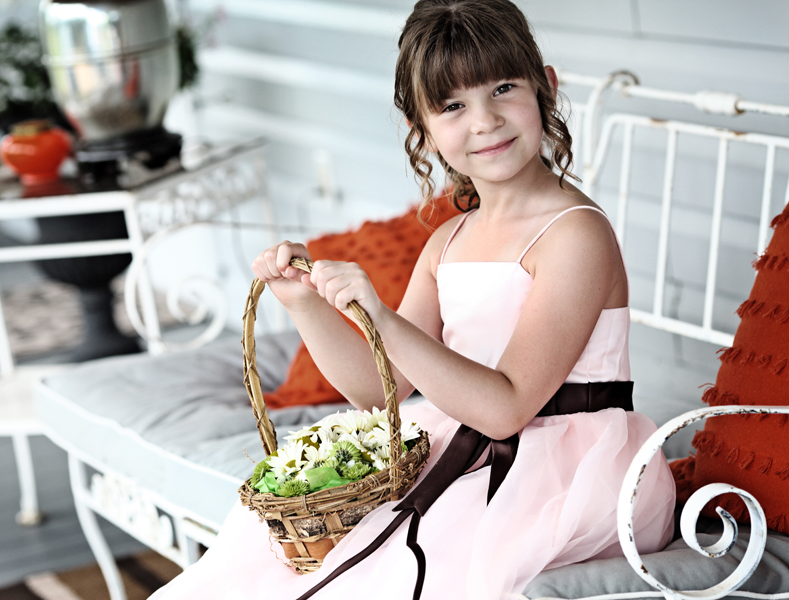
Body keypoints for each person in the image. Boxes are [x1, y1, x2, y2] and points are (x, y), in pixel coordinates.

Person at [151, 1, 675, 598]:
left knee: (398, 572)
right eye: (453, 105)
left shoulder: (574, 233)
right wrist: (305, 306)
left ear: (545, 88)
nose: (485, 120)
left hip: (564, 469)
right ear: (421, 131)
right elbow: (381, 392)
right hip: (463, 444)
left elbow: (507, 409)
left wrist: (379, 316)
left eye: (504, 88)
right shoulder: (447, 240)